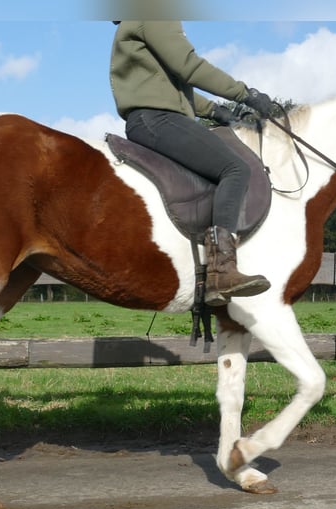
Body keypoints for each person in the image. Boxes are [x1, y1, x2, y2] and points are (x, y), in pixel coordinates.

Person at [109, 20, 274, 307]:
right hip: (159, 119)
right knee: (235, 170)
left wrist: (216, 111)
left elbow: (172, 83)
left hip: (153, 116)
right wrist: (246, 94)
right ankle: (222, 272)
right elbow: (188, 66)